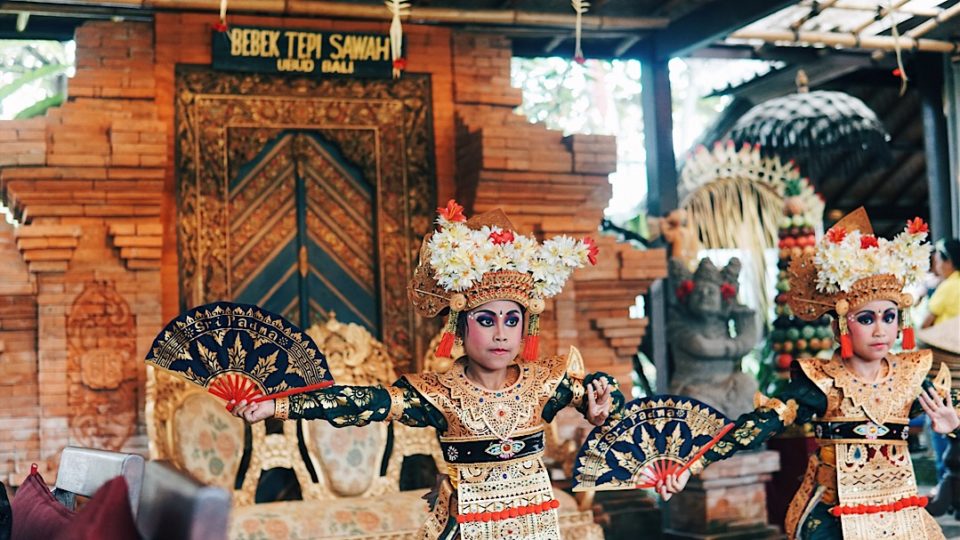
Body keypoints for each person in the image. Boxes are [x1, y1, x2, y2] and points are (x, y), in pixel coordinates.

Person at [231, 201, 623, 540]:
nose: (502, 334)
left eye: (512, 320)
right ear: (460, 327)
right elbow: (359, 402)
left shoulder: (547, 384)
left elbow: (615, 401)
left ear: (526, 326)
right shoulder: (437, 393)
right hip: (464, 525)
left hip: (536, 526)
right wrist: (276, 406)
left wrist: (601, 410)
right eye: (486, 321)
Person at [665, 208, 960, 539]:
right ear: (840, 324)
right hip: (835, 516)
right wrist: (693, 464)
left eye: (889, 317)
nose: (880, 330)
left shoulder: (911, 376)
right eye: (866, 319)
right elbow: (758, 425)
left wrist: (954, 429)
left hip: (902, 515)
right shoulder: (821, 381)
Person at [922, 238, 960, 329]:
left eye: (938, 261)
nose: (937, 266)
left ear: (948, 263)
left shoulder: (948, 286)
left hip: (945, 339)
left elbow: (926, 323)